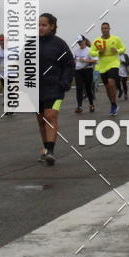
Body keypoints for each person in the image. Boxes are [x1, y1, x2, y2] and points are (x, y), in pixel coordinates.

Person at [35, 13, 75, 165]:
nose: (40, 28)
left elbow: (69, 64)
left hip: (55, 88)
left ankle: (51, 151)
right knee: (41, 119)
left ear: (52, 26)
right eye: (39, 25)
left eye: (44, 25)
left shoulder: (60, 44)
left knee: (50, 116)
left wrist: (65, 81)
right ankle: (45, 149)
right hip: (37, 88)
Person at [89, 22, 126, 115]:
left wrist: (117, 50)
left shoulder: (115, 39)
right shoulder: (97, 41)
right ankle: (113, 104)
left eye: (106, 28)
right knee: (107, 87)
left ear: (109, 29)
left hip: (113, 63)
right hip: (102, 65)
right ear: (101, 30)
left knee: (111, 82)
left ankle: (114, 103)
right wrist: (98, 52)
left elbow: (123, 48)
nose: (104, 30)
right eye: (103, 28)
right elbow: (91, 52)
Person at [72, 35, 96, 113]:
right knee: (79, 88)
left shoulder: (89, 50)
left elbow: (95, 61)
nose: (80, 43)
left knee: (88, 88)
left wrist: (85, 60)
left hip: (87, 70)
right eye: (78, 42)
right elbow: (75, 60)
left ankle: (91, 104)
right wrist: (74, 63)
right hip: (78, 71)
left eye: (81, 41)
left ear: (85, 41)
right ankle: (79, 106)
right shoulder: (76, 51)